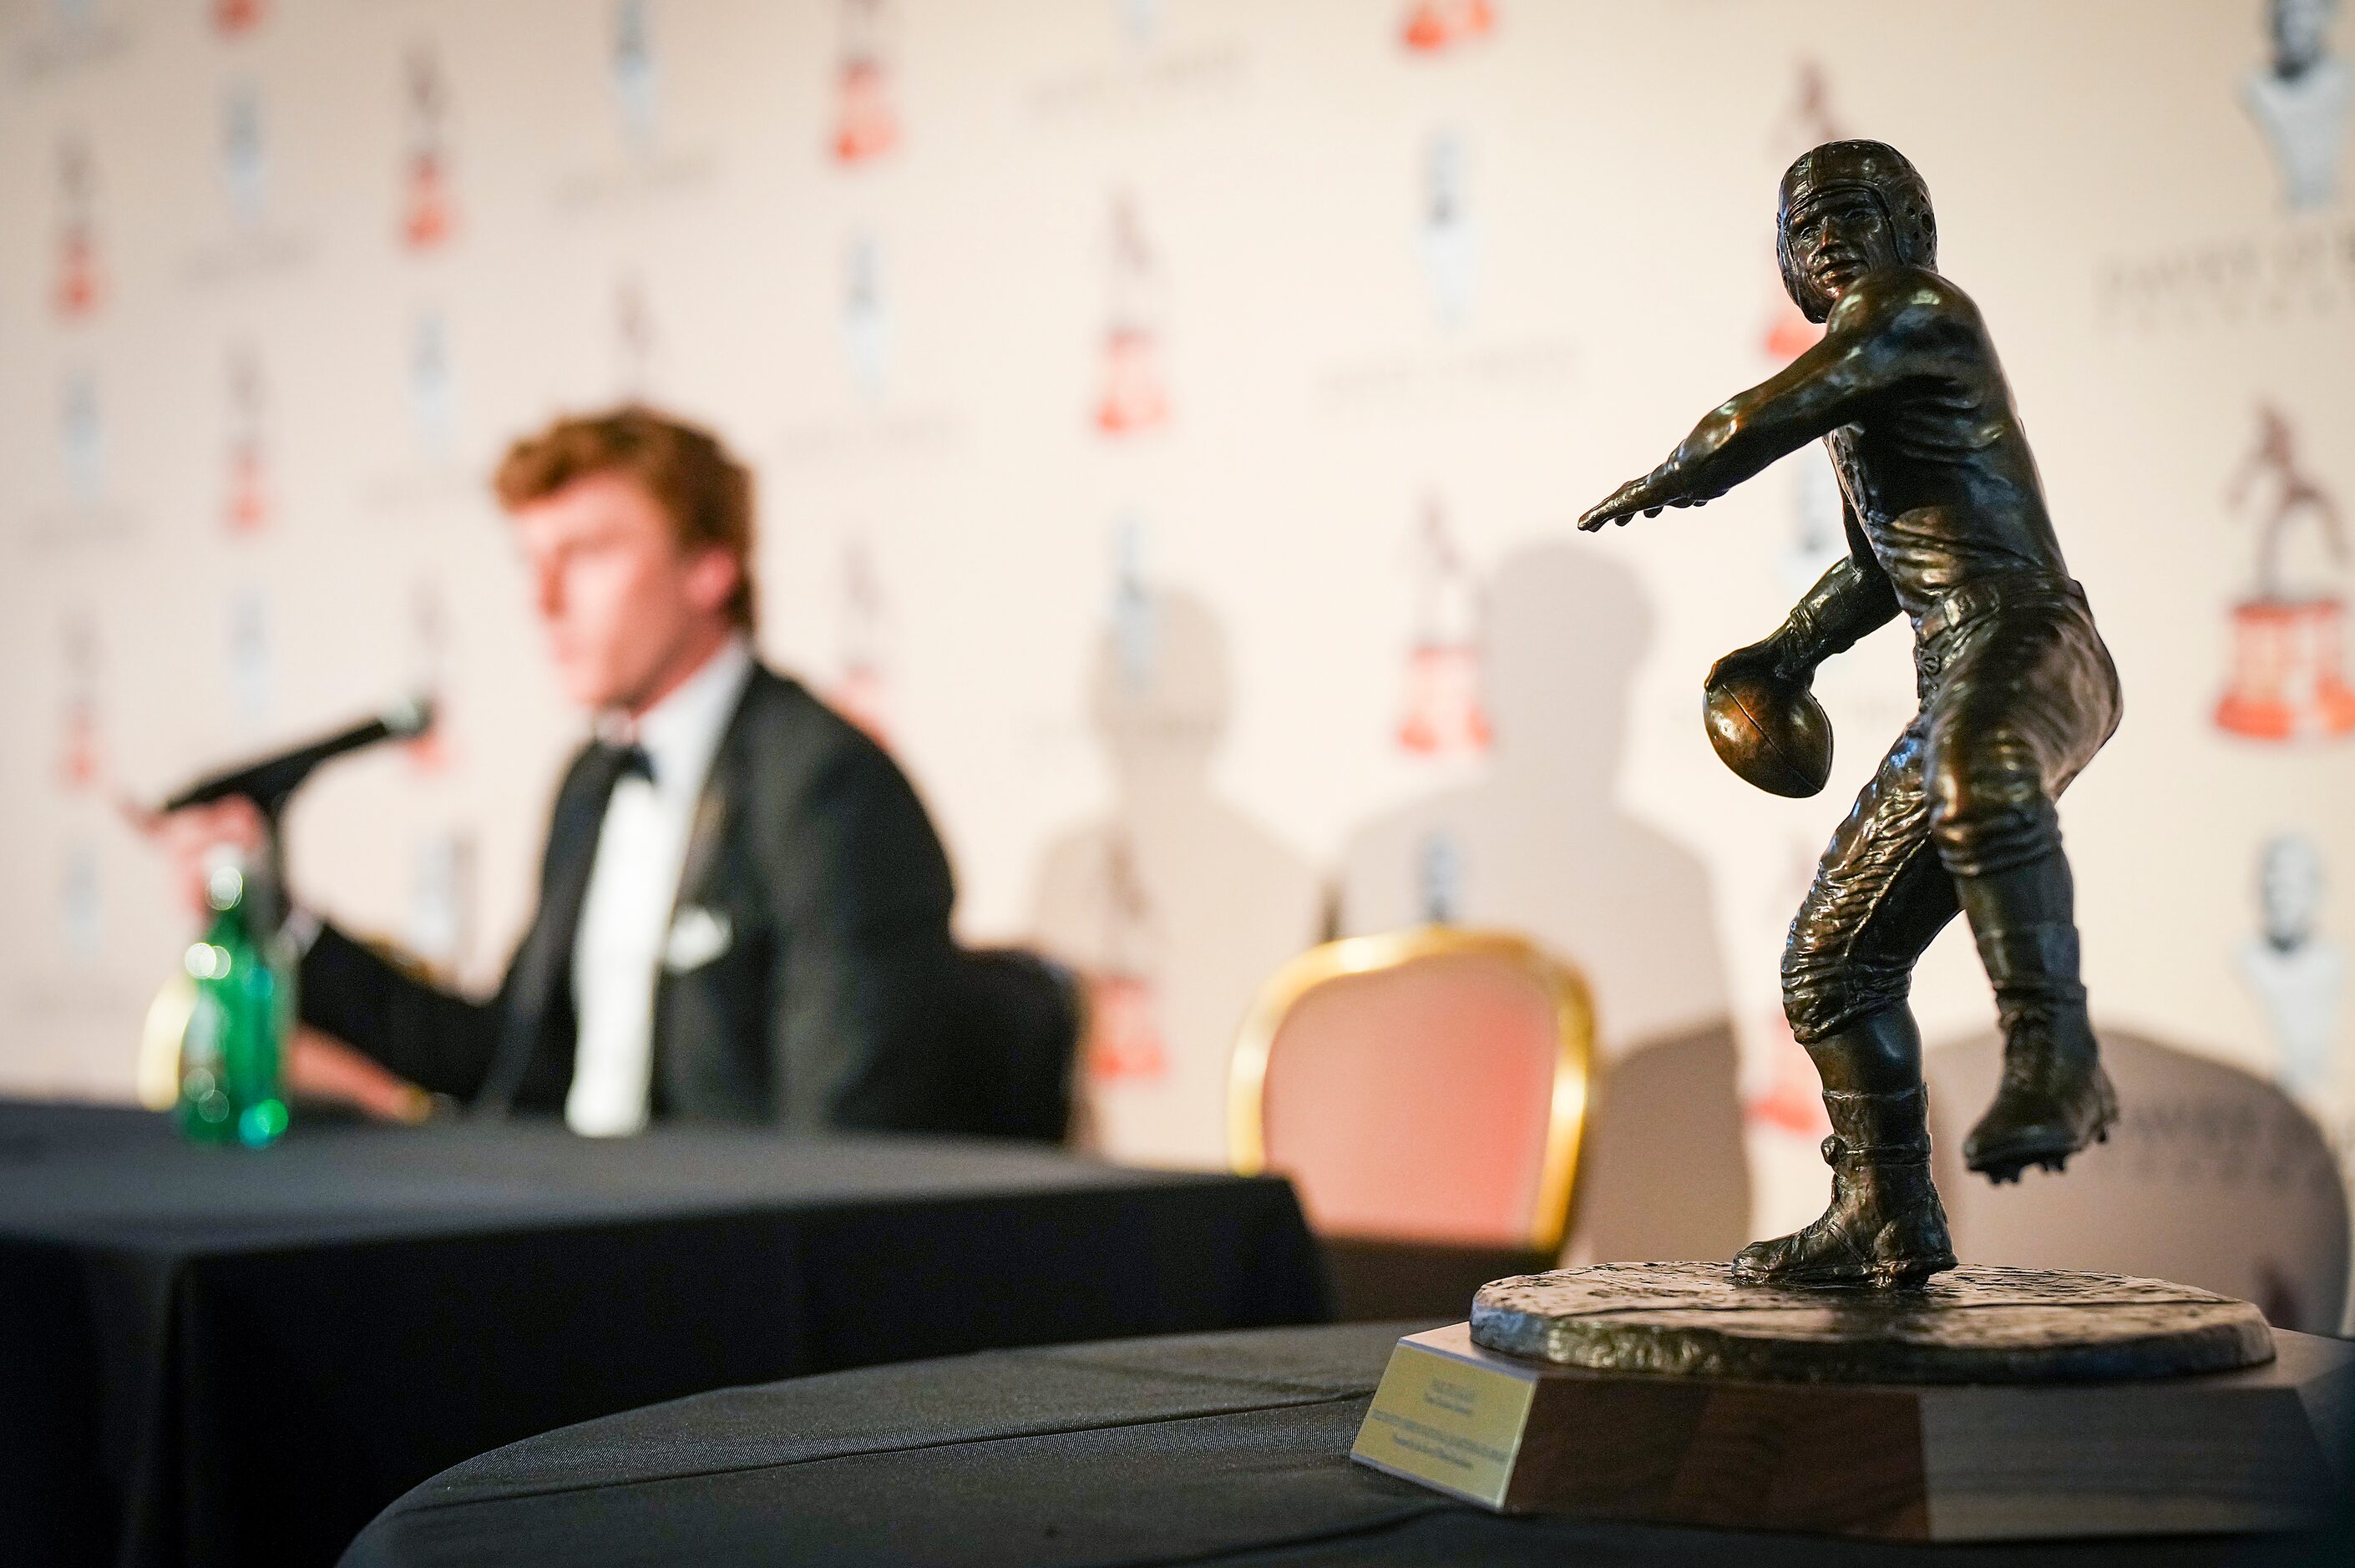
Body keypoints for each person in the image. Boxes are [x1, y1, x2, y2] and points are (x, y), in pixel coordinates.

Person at [1580, 141, 2124, 1288]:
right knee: (1829, 964)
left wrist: (1679, 472)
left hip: (2033, 638)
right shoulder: (1865, 371)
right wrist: (1790, 651)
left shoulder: (1912, 310)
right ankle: (1886, 1210)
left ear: (1909, 231)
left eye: (1852, 213)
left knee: (1977, 767)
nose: (1826, 238)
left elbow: (1750, 419)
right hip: (1957, 660)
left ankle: (2055, 1045)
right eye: (1802, 226)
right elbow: (1884, 565)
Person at [170, 407, 964, 1133]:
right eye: (532, 561)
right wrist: (278, 922)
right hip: (568, 1225)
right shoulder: (592, 778)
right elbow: (513, 1057)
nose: (544, 599)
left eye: (585, 553)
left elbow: (841, 1138)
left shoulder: (826, 787)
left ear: (709, 568)